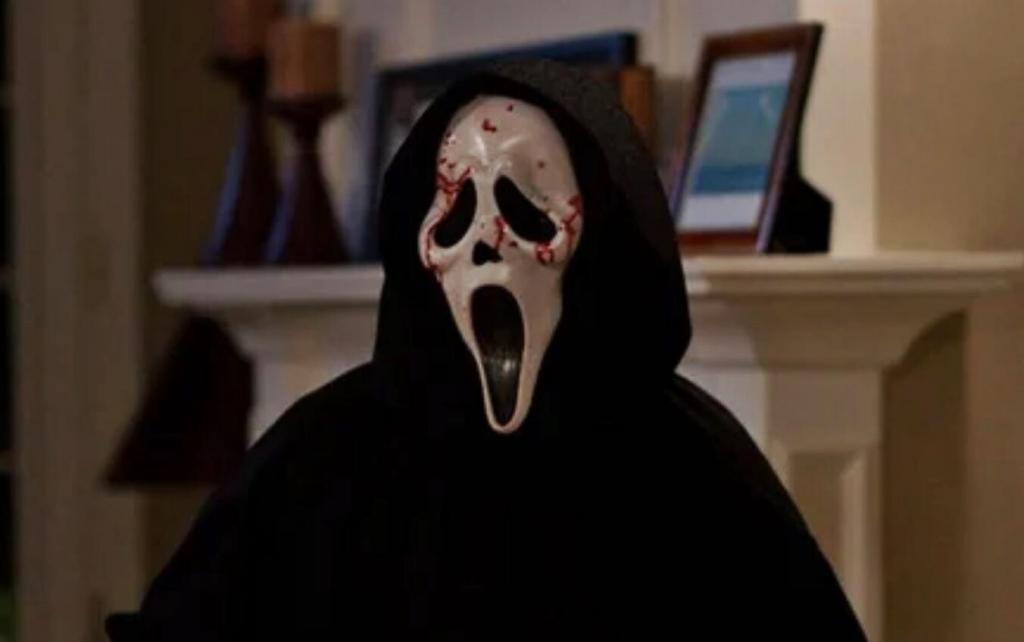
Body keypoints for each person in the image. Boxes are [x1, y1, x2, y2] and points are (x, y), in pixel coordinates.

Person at [107, 59, 865, 640]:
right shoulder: (321, 453)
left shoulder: (692, 466)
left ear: (594, 234)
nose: (487, 245)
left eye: (528, 211)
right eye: (455, 212)